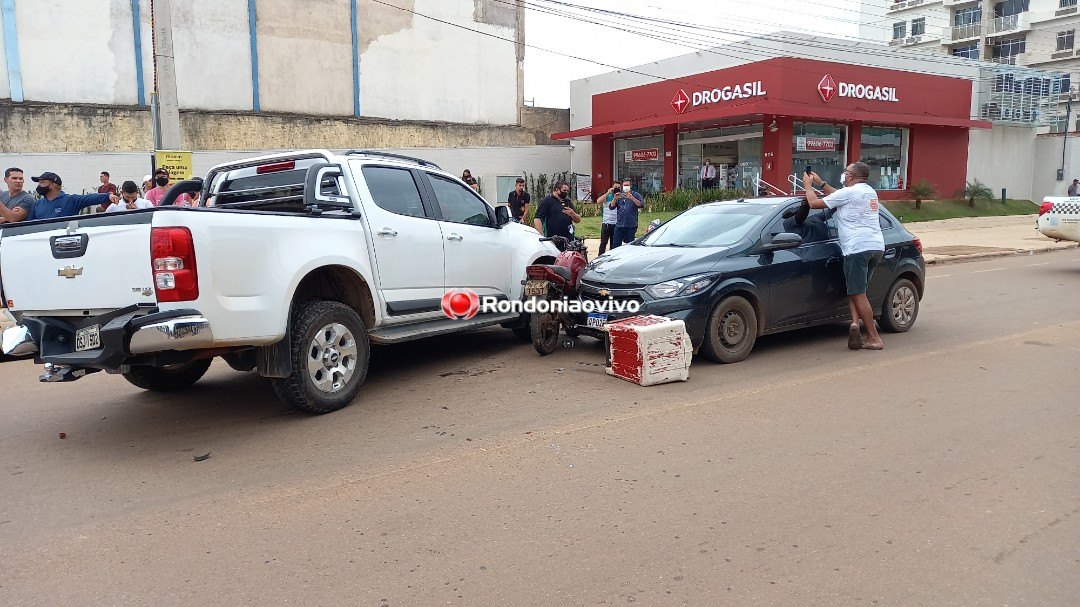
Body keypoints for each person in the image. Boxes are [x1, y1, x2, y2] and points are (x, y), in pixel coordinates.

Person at [803, 161, 885, 351]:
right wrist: (821, 184)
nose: (844, 174)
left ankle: (874, 337)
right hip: (876, 246)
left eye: (846, 172)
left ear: (850, 176)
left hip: (857, 248)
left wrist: (808, 186)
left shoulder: (849, 193)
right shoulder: (869, 192)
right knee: (857, 290)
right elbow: (837, 196)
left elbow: (814, 203)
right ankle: (854, 324)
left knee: (858, 292)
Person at [27, 171, 118, 221]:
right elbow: (29, 226)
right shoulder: (37, 205)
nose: (39, 186)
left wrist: (108, 196)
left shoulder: (70, 201)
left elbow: (89, 198)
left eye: (42, 182)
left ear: (52, 185)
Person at [609, 178, 644, 248]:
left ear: (630, 186)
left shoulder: (636, 195)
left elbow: (641, 205)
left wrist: (632, 198)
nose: (626, 187)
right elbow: (611, 207)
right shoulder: (619, 195)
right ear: (622, 186)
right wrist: (615, 198)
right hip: (619, 225)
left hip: (631, 225)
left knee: (629, 246)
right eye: (624, 185)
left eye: (627, 185)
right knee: (616, 245)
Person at [596, 180, 620, 254]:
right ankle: (600, 258)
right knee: (603, 243)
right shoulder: (608, 196)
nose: (616, 189)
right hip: (606, 223)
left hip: (616, 224)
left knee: (614, 244)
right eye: (615, 187)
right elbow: (598, 201)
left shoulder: (620, 196)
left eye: (618, 187)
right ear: (612, 187)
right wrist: (607, 192)